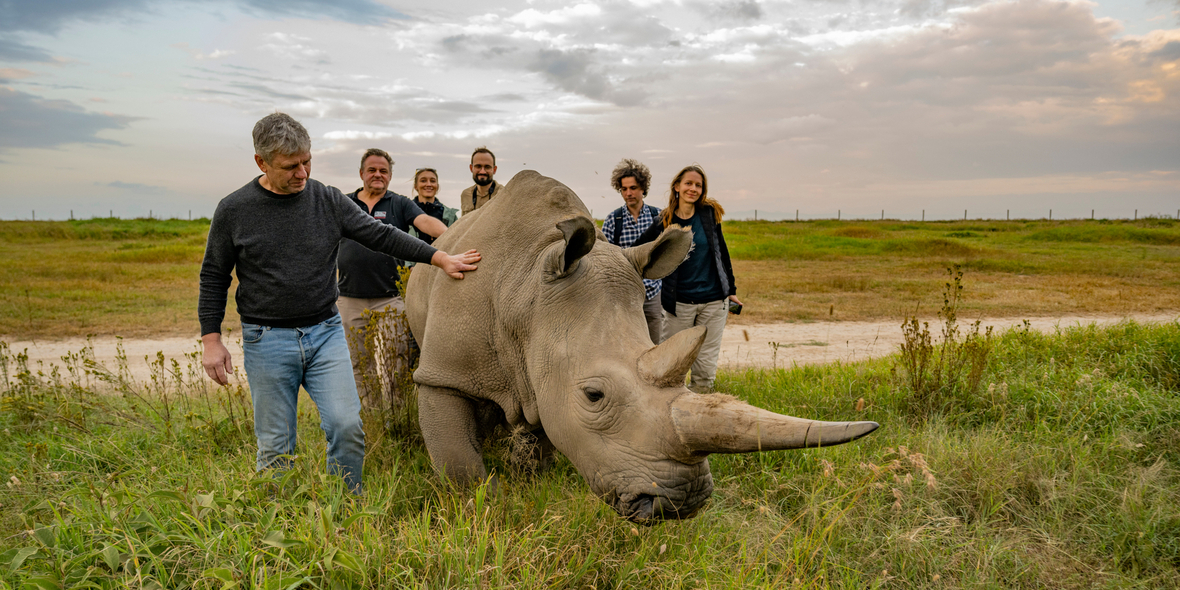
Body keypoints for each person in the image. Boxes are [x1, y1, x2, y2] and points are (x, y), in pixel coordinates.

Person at [199, 113, 480, 494]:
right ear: (261, 162)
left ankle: (346, 505)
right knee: (276, 444)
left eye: (307, 161)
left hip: (325, 334)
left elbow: (381, 235)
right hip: (267, 340)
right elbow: (214, 275)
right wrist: (211, 339)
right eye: (291, 166)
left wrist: (439, 257)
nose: (302, 173)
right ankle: (278, 517)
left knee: (347, 427)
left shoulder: (326, 199)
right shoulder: (235, 209)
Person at [337, 149, 448, 409]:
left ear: (390, 175)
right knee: (358, 363)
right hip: (349, 299)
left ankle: (395, 416)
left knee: (396, 362)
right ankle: (370, 415)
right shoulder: (344, 203)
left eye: (383, 171)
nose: (378, 175)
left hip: (390, 299)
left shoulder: (399, 203)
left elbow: (424, 221)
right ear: (361, 173)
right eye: (372, 170)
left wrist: (453, 237)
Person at [634, 164, 742, 393]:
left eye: (698, 185)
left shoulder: (709, 215)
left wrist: (730, 290)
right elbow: (639, 249)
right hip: (679, 305)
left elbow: (721, 253)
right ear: (677, 186)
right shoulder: (664, 221)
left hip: (714, 303)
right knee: (671, 367)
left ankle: (701, 409)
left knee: (705, 369)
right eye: (688, 183)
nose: (693, 189)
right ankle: (670, 409)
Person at [601, 158, 664, 343]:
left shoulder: (659, 216)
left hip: (654, 293)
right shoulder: (613, 220)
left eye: (633, 188)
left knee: (656, 344)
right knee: (626, 345)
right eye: (624, 189)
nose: (628, 193)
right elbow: (604, 259)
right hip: (625, 295)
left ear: (643, 188)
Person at [409, 167, 458, 246]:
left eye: (432, 181)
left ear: (437, 186)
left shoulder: (450, 216)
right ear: (416, 186)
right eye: (423, 181)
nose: (428, 184)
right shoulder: (405, 211)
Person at [460, 146, 498, 215]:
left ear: (494, 169)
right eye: (478, 166)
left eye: (487, 167)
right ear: (471, 168)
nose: (482, 171)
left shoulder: (503, 194)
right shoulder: (465, 194)